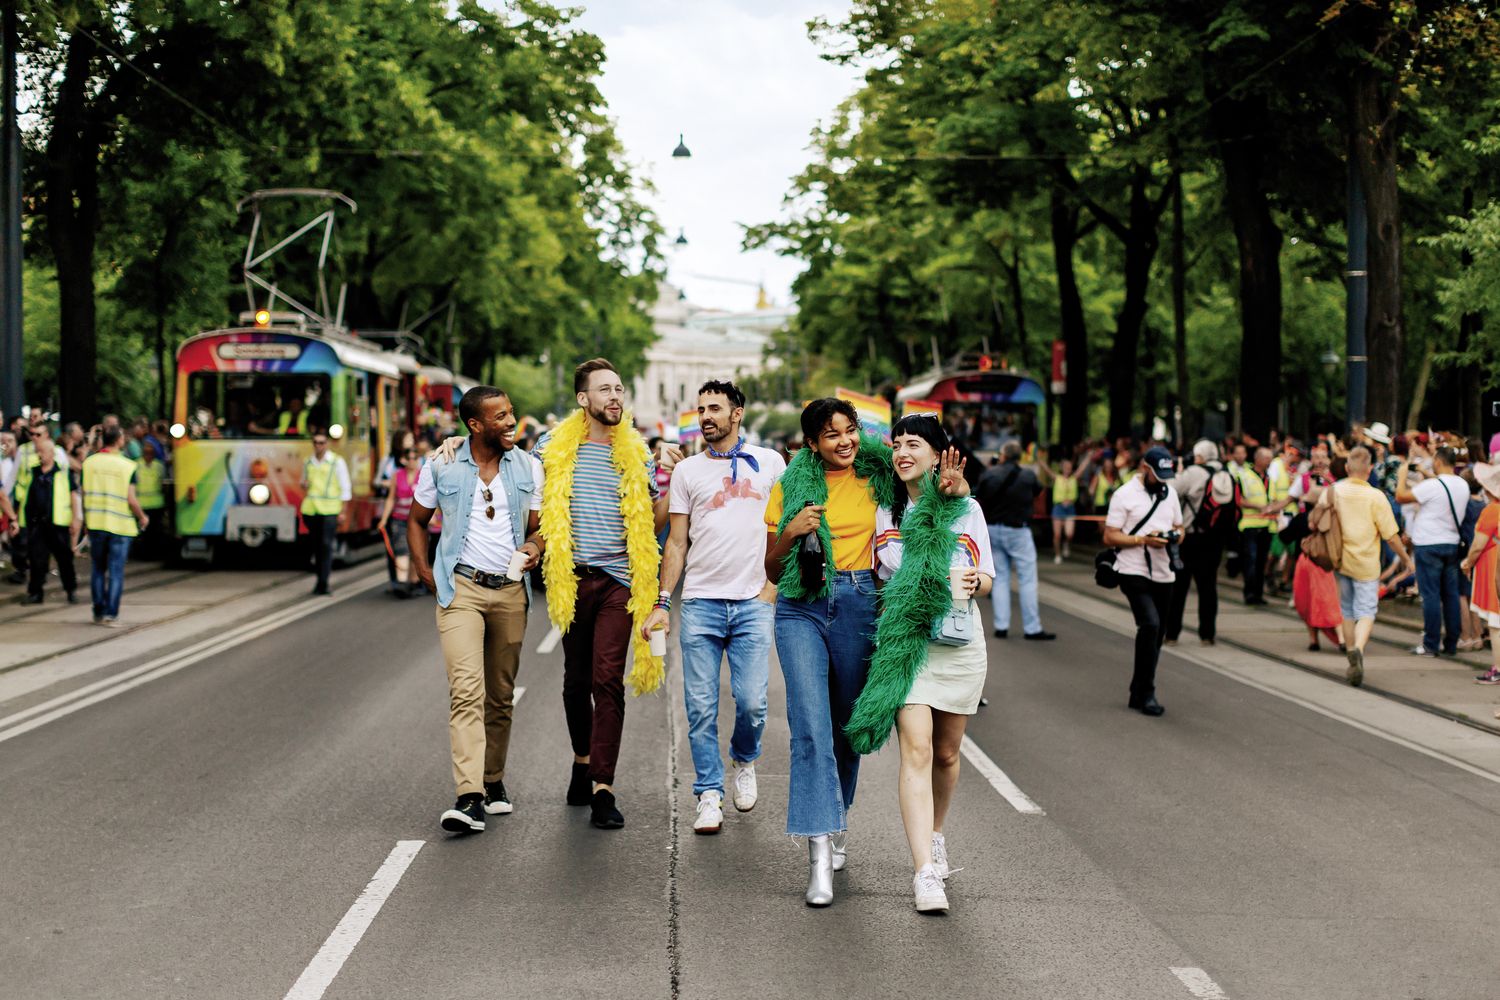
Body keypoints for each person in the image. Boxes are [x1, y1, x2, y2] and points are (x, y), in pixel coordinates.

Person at [763, 398, 967, 907]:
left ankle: (835, 822)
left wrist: (953, 489)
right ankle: (818, 856)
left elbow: (926, 497)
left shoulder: (880, 476)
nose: (845, 441)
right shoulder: (790, 485)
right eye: (831, 435)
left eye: (850, 430)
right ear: (812, 443)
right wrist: (791, 532)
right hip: (801, 607)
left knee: (849, 730)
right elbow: (771, 569)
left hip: (860, 602)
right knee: (810, 729)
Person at [847, 415, 993, 914]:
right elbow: (888, 573)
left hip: (959, 644)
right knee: (917, 750)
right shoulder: (884, 510)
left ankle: (935, 835)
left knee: (948, 756)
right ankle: (924, 874)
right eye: (898, 444)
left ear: (938, 455)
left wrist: (976, 579)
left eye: (915, 444)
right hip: (907, 646)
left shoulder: (966, 509)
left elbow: (988, 576)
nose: (903, 452)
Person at [532, 358, 673, 831]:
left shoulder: (635, 452)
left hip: (617, 581)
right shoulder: (550, 447)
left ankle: (603, 787)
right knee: (575, 683)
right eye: (605, 390)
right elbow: (515, 476)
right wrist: (453, 445)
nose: (615, 397)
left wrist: (674, 486)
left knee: (607, 678)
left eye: (619, 389)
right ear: (583, 399)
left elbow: (651, 523)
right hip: (571, 579)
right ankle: (581, 757)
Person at [641, 380, 786, 835]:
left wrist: (772, 589)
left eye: (715, 408)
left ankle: (744, 759)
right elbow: (677, 542)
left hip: (753, 603)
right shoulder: (688, 473)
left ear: (736, 413)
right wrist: (663, 602)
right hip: (701, 603)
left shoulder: (771, 463)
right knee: (700, 707)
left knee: (752, 703)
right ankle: (708, 792)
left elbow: (785, 530)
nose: (706, 416)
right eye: (701, 408)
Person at [409, 387, 544, 834]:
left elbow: (539, 530)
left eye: (511, 413)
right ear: (475, 425)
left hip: (510, 591)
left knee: (500, 695)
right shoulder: (442, 464)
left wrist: (533, 547)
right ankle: (469, 798)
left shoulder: (529, 466)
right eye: (501, 416)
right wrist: (423, 569)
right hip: (460, 589)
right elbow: (416, 518)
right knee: (466, 690)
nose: (511, 422)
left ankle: (493, 781)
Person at [1102, 447, 1183, 716]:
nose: (1162, 481)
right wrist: (1143, 540)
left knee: (1157, 633)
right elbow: (1110, 536)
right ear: (1145, 468)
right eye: (1158, 475)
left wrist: (1171, 536)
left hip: (1164, 570)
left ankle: (1138, 691)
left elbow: (1180, 528)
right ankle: (1146, 692)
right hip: (1132, 569)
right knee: (1150, 624)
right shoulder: (1124, 495)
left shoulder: (1169, 493)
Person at [1331, 447, 1414, 685]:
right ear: (1369, 470)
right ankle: (1358, 648)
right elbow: (1391, 535)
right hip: (1366, 564)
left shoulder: (1334, 491)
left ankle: (1349, 653)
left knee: (1346, 610)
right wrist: (1406, 560)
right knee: (1366, 611)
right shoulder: (1376, 497)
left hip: (1340, 560)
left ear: (1347, 468)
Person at [976, 441, 1054, 641]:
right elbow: (1038, 491)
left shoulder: (990, 474)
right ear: (1019, 457)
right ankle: (1032, 628)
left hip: (993, 529)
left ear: (1002, 455)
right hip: (1019, 530)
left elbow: (979, 496)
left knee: (1000, 577)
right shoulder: (1028, 475)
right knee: (1027, 579)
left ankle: (1001, 626)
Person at [1395, 443, 1467, 656]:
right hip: (1452, 544)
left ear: (1437, 461)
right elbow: (1439, 485)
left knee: (1431, 595)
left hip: (1428, 544)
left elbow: (1401, 496)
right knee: (1451, 594)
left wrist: (1402, 475)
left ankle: (1431, 643)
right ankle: (1452, 642)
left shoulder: (1432, 486)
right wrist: (1424, 472)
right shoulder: (1461, 484)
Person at [1165, 439, 1235, 647]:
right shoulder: (1227, 474)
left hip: (1190, 537)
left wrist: (1178, 472)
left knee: (1179, 587)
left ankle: (1172, 633)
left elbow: (1170, 491)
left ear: (1200, 456)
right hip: (1214, 539)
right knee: (1208, 587)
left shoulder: (1194, 472)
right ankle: (1207, 634)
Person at [81, 426, 149, 626]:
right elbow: (131, 499)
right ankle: (111, 614)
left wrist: (85, 521)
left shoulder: (89, 463)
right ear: (119, 440)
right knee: (116, 571)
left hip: (96, 524)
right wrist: (142, 517)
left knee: (98, 569)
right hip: (120, 526)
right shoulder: (128, 466)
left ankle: (98, 611)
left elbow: (84, 494)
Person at [16, 437, 81, 605]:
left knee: (65, 560)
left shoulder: (62, 473)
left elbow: (73, 496)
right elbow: (25, 496)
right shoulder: (34, 473)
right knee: (37, 560)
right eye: (38, 451)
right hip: (38, 524)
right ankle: (36, 593)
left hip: (58, 524)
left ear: (52, 453)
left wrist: (75, 519)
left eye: (42, 451)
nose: (39, 455)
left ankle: (71, 590)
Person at [1289, 455, 1343, 651]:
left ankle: (1314, 639)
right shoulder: (1337, 508)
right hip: (1331, 558)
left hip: (1311, 559)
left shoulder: (1307, 518)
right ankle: (1342, 637)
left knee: (1309, 600)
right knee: (1329, 600)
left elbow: (1289, 534)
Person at [1462, 462, 1500, 684]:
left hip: (1493, 568)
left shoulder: (1491, 510)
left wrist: (1467, 562)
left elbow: (1478, 545)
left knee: (1495, 622)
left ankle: (1497, 668)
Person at [300, 430, 351, 595]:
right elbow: (303, 482)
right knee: (317, 547)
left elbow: (345, 487)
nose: (318, 445)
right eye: (315, 442)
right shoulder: (308, 462)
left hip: (330, 509)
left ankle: (324, 582)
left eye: (321, 442)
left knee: (326, 545)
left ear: (327, 444)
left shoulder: (337, 462)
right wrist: (305, 484)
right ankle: (319, 581)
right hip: (311, 509)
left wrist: (343, 511)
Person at [1236, 447, 1288, 605]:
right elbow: (1239, 500)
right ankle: (1249, 593)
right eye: (1267, 458)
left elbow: (1273, 499)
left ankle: (1258, 593)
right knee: (1250, 560)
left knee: (1261, 561)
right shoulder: (1244, 476)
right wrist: (1258, 507)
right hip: (1250, 525)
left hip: (1267, 526)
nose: (1269, 461)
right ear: (1257, 459)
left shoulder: (1269, 478)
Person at [377, 448, 423, 597]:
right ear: (404, 460)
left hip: (418, 520)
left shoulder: (424, 475)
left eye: (415, 458)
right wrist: (383, 519)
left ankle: (414, 582)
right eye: (409, 458)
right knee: (401, 549)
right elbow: (391, 499)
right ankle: (402, 582)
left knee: (416, 552)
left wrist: (434, 515)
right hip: (399, 519)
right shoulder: (397, 476)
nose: (412, 461)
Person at [1049, 455, 1087, 564]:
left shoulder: (1074, 478)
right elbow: (1047, 469)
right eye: (1066, 466)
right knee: (1057, 534)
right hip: (1058, 507)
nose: (1067, 469)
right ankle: (1057, 554)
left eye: (1069, 467)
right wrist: (1038, 459)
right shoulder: (1057, 478)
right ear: (1062, 468)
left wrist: (1088, 457)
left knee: (1069, 533)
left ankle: (1066, 544)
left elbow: (1082, 468)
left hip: (1070, 508)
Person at [133, 443, 167, 559]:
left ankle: (154, 553)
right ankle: (143, 554)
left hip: (156, 504)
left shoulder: (159, 465)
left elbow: (163, 482)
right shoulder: (136, 464)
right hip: (141, 504)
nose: (148, 455)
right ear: (143, 453)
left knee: (155, 531)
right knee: (143, 532)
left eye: (151, 453)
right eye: (146, 453)